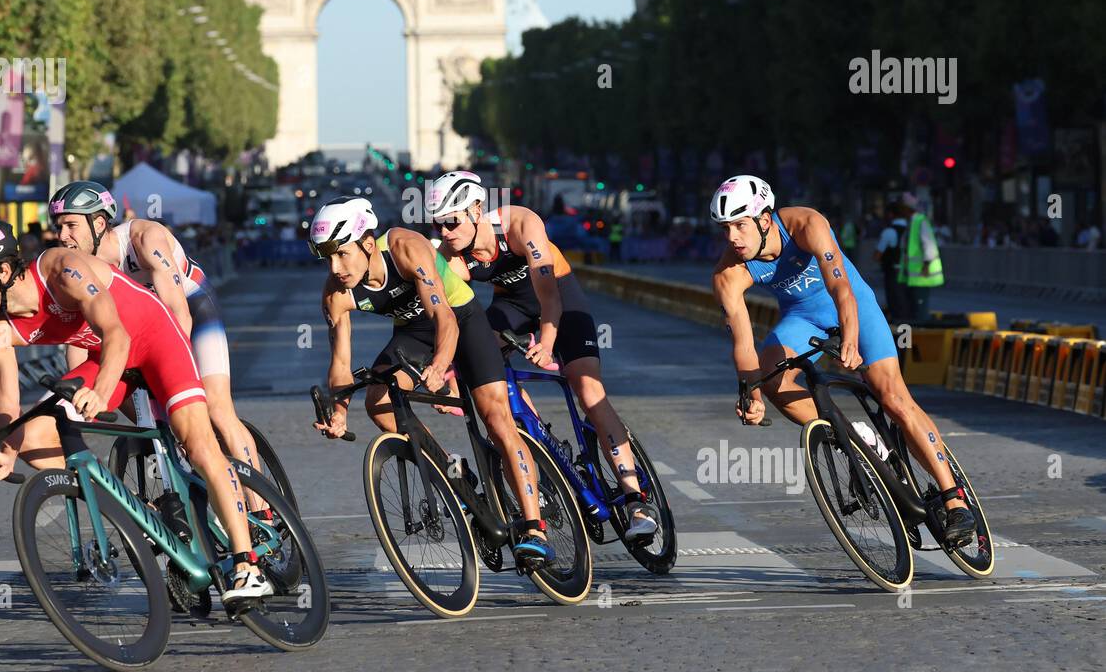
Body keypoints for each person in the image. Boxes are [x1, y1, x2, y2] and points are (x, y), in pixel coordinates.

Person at [0, 217, 271, 601]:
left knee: (199, 447)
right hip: (109, 360)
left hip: (154, 339)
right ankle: (136, 508)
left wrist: (101, 392)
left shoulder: (61, 268)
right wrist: (5, 452)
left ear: (2, 271)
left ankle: (247, 564)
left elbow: (116, 333)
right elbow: (8, 405)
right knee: (33, 437)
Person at [708, 174, 976, 548]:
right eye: (725, 229)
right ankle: (850, 435)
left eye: (740, 225)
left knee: (893, 398)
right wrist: (751, 392)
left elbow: (840, 287)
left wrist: (850, 338)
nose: (733, 238)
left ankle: (954, 500)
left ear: (764, 219)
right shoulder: (727, 273)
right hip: (802, 317)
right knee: (770, 378)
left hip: (852, 306)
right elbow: (743, 343)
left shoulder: (806, 223)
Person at [307, 196, 555, 566]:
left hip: (460, 319)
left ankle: (536, 528)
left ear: (367, 243)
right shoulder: (336, 294)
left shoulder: (408, 249)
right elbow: (340, 364)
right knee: (378, 401)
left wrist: (441, 366)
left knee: (496, 418)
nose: (335, 267)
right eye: (326, 258)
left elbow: (446, 320)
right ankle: (452, 469)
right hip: (414, 330)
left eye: (342, 254)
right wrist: (339, 410)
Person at [428, 171, 658, 541]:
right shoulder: (450, 254)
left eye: (452, 221)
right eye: (437, 224)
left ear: (476, 210)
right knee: (482, 364)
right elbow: (447, 314)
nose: (445, 232)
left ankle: (636, 500)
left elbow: (549, 297)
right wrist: (446, 372)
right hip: (512, 305)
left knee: (588, 390)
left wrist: (548, 340)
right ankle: (537, 436)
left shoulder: (520, 223)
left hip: (559, 296)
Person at [47, 181, 273, 516]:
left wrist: (167, 373)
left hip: (193, 309)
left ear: (98, 223)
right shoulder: (77, 269)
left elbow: (178, 311)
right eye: (58, 227)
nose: (62, 236)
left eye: (71, 225)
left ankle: (260, 512)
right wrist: (80, 389)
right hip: (141, 330)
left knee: (217, 409)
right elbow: (78, 339)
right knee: (150, 420)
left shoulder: (143, 238)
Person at [897, 193, 945, 321]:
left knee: (920, 307)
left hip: (921, 274)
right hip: (914, 275)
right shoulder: (912, 222)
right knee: (915, 307)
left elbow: (929, 245)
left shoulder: (920, 221)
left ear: (907, 208)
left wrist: (926, 265)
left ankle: (922, 329)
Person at [874, 200, 910, 322]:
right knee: (907, 300)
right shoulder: (911, 229)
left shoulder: (889, 231)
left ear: (890, 214)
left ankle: (898, 323)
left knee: (895, 300)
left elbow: (878, 254)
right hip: (911, 270)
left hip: (893, 271)